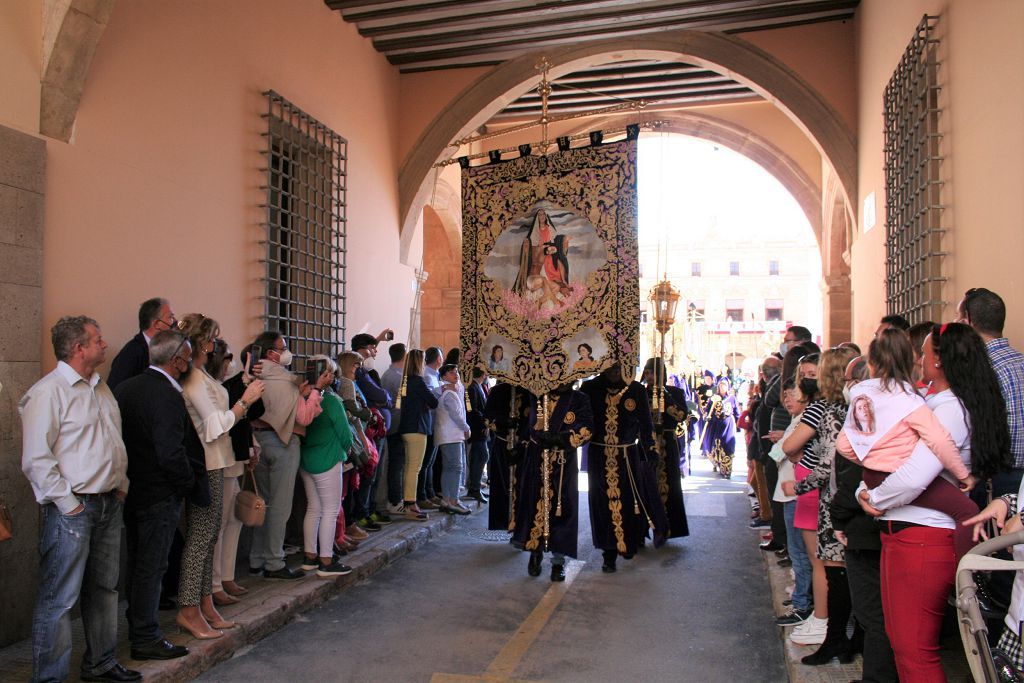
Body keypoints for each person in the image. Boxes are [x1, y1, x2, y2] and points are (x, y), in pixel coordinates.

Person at [859, 322, 1009, 682]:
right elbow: (885, 457)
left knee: (915, 653)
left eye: (924, 351)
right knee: (905, 648)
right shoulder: (937, 403)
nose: (918, 357)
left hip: (923, 538)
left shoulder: (949, 410)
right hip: (907, 532)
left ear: (939, 360)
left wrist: (874, 497)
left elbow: (914, 475)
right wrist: (866, 492)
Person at [20, 316, 140, 682]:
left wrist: (121, 485)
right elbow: (36, 459)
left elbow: (111, 441)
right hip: (74, 509)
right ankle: (50, 677)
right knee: (60, 599)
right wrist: (68, 503)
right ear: (78, 348)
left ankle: (100, 663)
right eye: (98, 339)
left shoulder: (100, 388)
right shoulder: (49, 392)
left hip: (108, 501)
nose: (105, 344)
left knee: (104, 590)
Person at [837, 328, 979, 560]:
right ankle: (967, 580)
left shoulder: (862, 395)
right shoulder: (910, 401)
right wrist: (963, 475)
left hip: (872, 476)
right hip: (898, 483)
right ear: (909, 361)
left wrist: (870, 459)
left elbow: (843, 445)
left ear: (870, 363)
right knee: (968, 511)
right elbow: (940, 441)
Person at [117, 329, 207, 663]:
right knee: (152, 567)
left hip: (134, 489)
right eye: (186, 358)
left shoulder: (126, 388)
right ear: (178, 361)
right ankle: (146, 636)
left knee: (138, 565)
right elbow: (171, 452)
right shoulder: (166, 395)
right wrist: (184, 484)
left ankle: (138, 628)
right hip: (158, 493)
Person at [177, 314, 265, 638]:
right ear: (201, 343)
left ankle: (204, 604)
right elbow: (214, 425)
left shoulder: (202, 376)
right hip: (206, 463)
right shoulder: (194, 379)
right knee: (200, 540)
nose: (215, 346)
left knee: (210, 536)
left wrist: (242, 385)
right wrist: (246, 401)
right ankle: (189, 610)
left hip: (218, 461)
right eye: (212, 340)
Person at [781, 346, 858, 659]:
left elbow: (827, 464)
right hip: (850, 493)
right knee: (835, 567)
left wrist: (801, 482)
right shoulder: (850, 407)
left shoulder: (826, 409)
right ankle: (839, 635)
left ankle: (829, 630)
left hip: (832, 496)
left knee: (829, 566)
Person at [830, 355, 899, 682]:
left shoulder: (867, 419)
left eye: (850, 381)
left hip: (867, 527)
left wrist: (839, 517)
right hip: (874, 525)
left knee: (875, 614)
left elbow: (857, 476)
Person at [248, 330, 331, 579]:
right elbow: (303, 417)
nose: (287, 352)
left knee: (262, 502)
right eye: (283, 347)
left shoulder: (252, 375)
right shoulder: (285, 381)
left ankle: (256, 558)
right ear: (271, 353)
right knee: (280, 506)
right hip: (283, 443)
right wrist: (316, 391)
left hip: (257, 440)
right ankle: (274, 561)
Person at [581, 364, 669, 573]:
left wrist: (650, 450)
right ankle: (608, 553)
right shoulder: (589, 388)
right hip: (599, 455)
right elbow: (581, 421)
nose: (614, 370)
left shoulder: (635, 389)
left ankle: (627, 543)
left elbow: (646, 424)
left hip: (627, 455)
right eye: (609, 365)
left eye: (618, 366)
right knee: (601, 503)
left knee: (630, 501)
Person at [512, 384, 594, 580]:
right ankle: (535, 551)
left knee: (563, 510)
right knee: (534, 506)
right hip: (537, 460)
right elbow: (526, 424)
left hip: (564, 463)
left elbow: (588, 428)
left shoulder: (579, 399)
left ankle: (558, 562)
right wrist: (522, 445)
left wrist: (561, 438)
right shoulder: (537, 396)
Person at [958, 287, 1024, 496]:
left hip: (999, 477)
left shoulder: (980, 369)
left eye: (959, 319)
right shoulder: (1020, 361)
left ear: (969, 322)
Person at [215, 342, 265, 604]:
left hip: (236, 458)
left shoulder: (234, 384)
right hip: (220, 461)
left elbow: (250, 414)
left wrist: (251, 447)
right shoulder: (216, 387)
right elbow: (229, 417)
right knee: (220, 524)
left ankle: (227, 577)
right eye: (227, 358)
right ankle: (215, 584)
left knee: (234, 521)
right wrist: (244, 382)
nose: (230, 362)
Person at [299, 354, 354, 577]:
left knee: (313, 508)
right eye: (329, 372)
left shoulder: (302, 396)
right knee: (330, 511)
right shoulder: (330, 401)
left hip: (306, 459)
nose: (332, 376)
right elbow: (344, 432)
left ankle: (310, 556)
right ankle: (326, 560)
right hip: (328, 458)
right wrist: (349, 448)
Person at [642, 357, 690, 539]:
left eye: (653, 372)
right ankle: (642, 529)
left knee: (667, 484)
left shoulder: (674, 392)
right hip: (645, 444)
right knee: (643, 485)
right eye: (647, 373)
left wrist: (664, 398)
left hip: (667, 442)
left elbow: (681, 415)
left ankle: (666, 528)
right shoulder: (640, 393)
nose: (649, 376)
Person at [350, 331, 394, 528]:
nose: (375, 353)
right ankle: (361, 513)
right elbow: (377, 394)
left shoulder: (366, 372)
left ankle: (368, 509)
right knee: (367, 475)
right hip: (368, 432)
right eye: (371, 349)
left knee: (374, 475)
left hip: (378, 430)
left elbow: (384, 396)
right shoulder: (357, 373)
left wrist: (383, 396)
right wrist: (383, 397)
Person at [337, 350, 376, 539]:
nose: (358, 368)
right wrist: (363, 436)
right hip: (352, 436)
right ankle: (349, 524)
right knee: (350, 484)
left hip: (355, 434)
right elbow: (352, 412)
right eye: (355, 365)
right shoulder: (346, 384)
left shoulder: (349, 383)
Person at [484, 382, 534, 533]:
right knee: (503, 484)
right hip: (503, 444)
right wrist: (502, 421)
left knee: (524, 487)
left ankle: (522, 526)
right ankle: (505, 522)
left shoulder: (532, 390)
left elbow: (538, 418)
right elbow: (487, 417)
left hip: (525, 446)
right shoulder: (499, 391)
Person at [398, 349, 439, 520]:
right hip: (418, 428)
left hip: (406, 427)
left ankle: (408, 502)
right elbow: (434, 401)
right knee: (414, 469)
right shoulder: (418, 382)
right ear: (419, 363)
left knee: (408, 468)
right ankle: (411, 504)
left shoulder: (405, 381)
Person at [108, 297, 176, 390]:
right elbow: (116, 392)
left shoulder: (166, 350)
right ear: (157, 324)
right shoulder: (130, 354)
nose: (175, 322)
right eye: (170, 317)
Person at [434, 364, 473, 514]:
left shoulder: (452, 390)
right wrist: (466, 427)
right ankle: (453, 500)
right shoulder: (448, 393)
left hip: (450, 435)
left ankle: (447, 499)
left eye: (456, 372)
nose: (455, 374)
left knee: (451, 467)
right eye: (451, 372)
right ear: (443, 376)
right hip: (450, 435)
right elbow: (456, 415)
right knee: (455, 468)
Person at [381, 342, 408, 513]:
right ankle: (395, 500)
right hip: (396, 425)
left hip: (394, 423)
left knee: (397, 463)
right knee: (397, 464)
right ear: (403, 356)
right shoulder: (396, 376)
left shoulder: (389, 374)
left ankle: (395, 498)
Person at [418, 346, 444, 510]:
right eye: (442, 356)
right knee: (425, 461)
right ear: (438, 359)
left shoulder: (435, 375)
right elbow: (429, 397)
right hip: (428, 421)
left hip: (435, 422)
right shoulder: (427, 375)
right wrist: (442, 388)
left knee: (431, 461)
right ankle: (422, 495)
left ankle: (430, 492)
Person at [702, 379, 740, 478]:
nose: (723, 387)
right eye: (721, 385)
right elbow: (707, 411)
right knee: (716, 445)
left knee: (728, 446)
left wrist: (738, 423)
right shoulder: (714, 398)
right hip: (715, 425)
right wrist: (707, 416)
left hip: (728, 425)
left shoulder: (732, 398)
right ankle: (718, 465)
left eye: (724, 385)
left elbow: (736, 412)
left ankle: (727, 470)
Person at [466, 367, 491, 503]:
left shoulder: (479, 386)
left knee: (481, 456)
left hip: (481, 428)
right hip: (477, 429)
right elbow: (473, 410)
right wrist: (484, 423)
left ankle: (475, 486)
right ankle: (474, 488)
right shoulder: (472, 388)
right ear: (483, 374)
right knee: (481, 455)